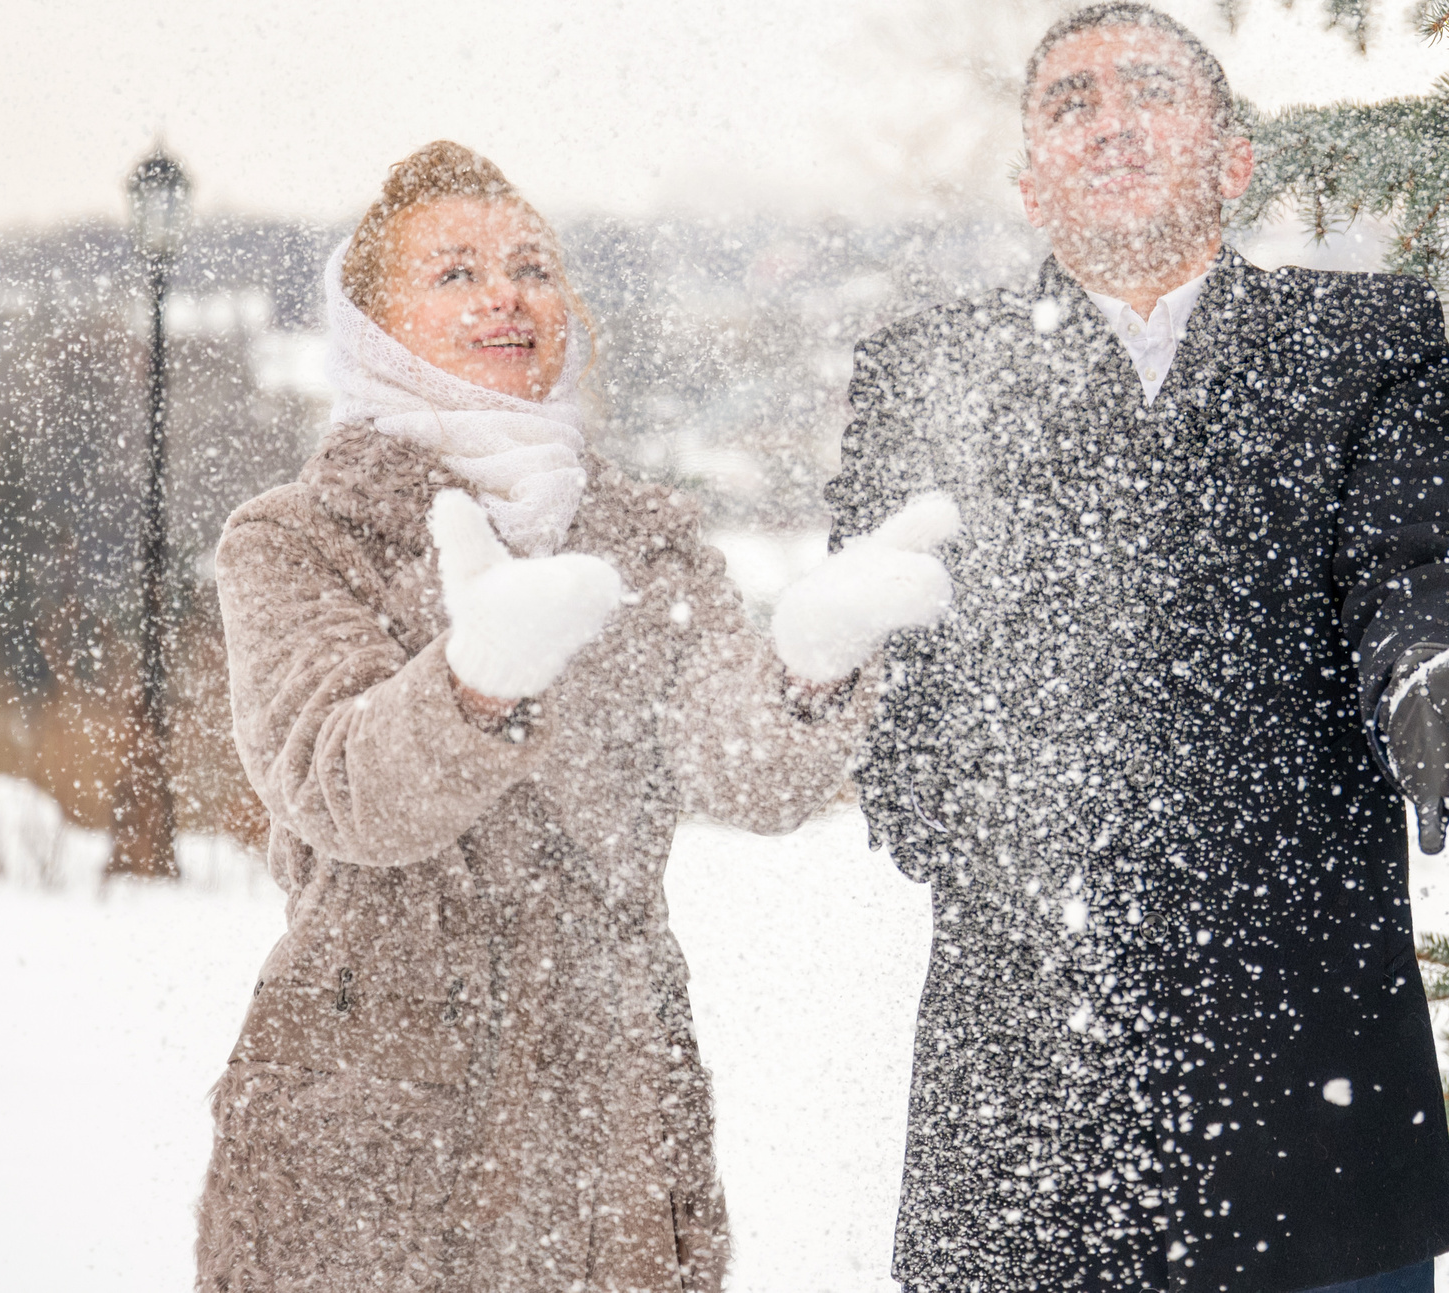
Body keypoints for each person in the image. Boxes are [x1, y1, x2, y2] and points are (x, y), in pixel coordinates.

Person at [834, 4, 1449, 1293]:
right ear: (1028, 182)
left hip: (1307, 1043)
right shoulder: (928, 373)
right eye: (1068, 103)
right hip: (1032, 1062)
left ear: (1233, 158)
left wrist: (1438, 666)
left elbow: (1420, 557)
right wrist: (919, 764)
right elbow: (887, 634)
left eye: (1149, 92)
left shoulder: (1359, 344)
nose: (1108, 118)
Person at [194, 141, 956, 1293]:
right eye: (453, 274)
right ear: (372, 327)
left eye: (532, 267)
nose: (505, 294)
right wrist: (472, 687)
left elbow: (740, 773)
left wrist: (808, 670)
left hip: (610, 1110)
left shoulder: (640, 535)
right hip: (369, 1116)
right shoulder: (298, 537)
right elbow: (339, 785)